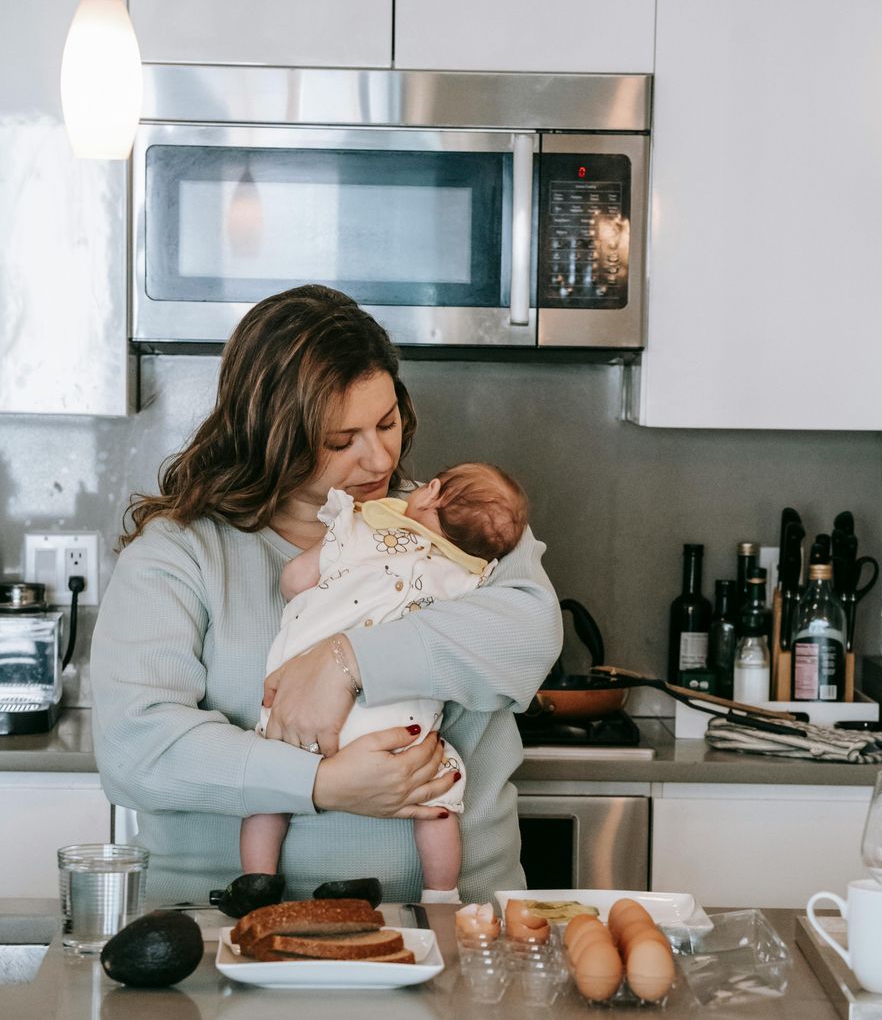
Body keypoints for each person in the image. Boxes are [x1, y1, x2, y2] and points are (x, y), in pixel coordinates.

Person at [91, 285, 562, 907]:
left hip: (454, 931)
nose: (379, 457)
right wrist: (321, 784)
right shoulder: (180, 554)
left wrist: (346, 660)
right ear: (271, 437)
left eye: (388, 422)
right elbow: (136, 747)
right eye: (341, 441)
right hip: (217, 934)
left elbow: (529, 631)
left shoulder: (456, 528)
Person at [243, 461, 530, 903]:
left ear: (431, 491)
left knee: (268, 797)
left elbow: (295, 579)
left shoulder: (360, 530)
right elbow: (498, 631)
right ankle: (441, 895)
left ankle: (257, 883)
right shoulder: (468, 577)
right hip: (400, 730)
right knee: (437, 803)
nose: (377, 456)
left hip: (296, 716)